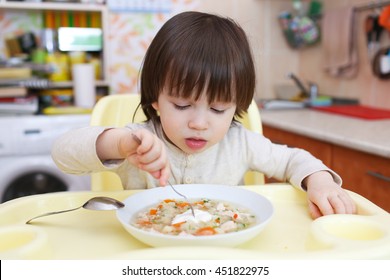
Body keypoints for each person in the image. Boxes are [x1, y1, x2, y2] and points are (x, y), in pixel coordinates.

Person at [52, 11, 356, 219]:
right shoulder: (137, 144)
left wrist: (320, 181)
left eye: (218, 109)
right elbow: (62, 154)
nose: (199, 123)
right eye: (182, 106)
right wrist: (118, 144)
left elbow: (292, 160)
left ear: (237, 105)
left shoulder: (241, 143)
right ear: (156, 99)